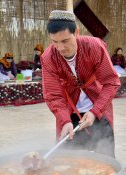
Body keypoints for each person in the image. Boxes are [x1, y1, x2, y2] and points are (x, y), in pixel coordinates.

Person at [41, 10, 121, 157]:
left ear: (76, 32)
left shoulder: (94, 47)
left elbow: (111, 82)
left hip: (98, 107)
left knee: (105, 159)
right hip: (69, 112)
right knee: (68, 161)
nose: (60, 48)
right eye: (54, 42)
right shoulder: (48, 58)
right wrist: (64, 120)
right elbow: (53, 95)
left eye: (65, 41)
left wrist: (94, 112)